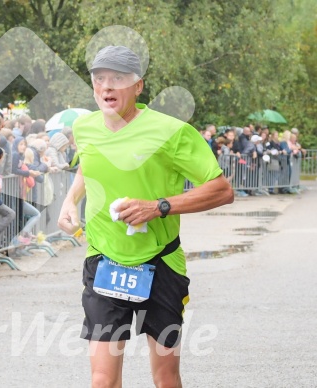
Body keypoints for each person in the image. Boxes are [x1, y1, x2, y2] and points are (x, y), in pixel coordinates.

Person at [58, 45, 233, 388]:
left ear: (138, 86)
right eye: (99, 79)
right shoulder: (85, 128)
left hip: (161, 262)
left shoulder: (171, 131)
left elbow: (222, 190)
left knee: (165, 377)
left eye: (118, 79)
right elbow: (87, 169)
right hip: (105, 260)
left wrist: (158, 207)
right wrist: (70, 200)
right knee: (102, 380)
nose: (107, 87)